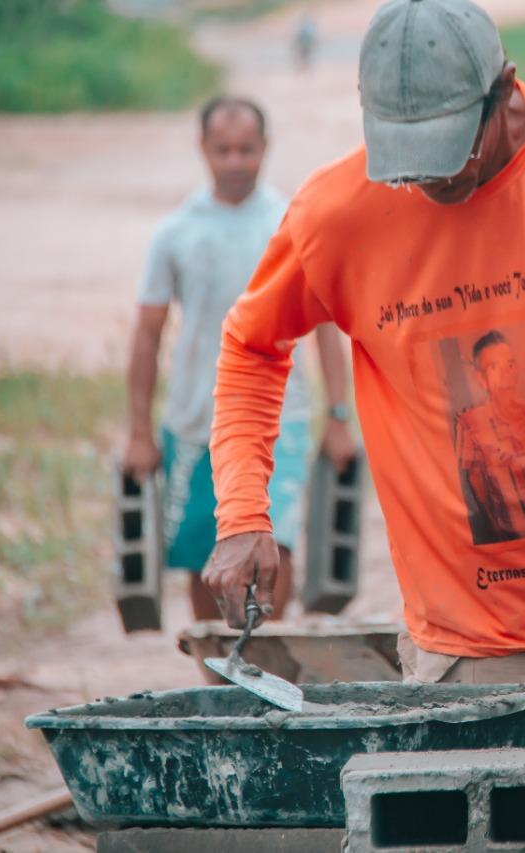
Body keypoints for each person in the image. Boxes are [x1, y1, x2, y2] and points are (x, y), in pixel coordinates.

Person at [202, 0, 525, 763]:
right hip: (476, 644)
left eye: (449, 149)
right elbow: (252, 345)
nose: (426, 179)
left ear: (506, 91)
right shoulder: (338, 213)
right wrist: (244, 510)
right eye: (405, 156)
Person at [123, 95, 357, 622]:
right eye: (223, 150)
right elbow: (147, 335)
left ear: (265, 149)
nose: (235, 162)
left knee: (279, 548)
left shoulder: (290, 223)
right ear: (203, 149)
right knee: (204, 557)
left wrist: (338, 417)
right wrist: (139, 430)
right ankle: (215, 679)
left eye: (246, 150)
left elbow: (326, 331)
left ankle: (267, 666)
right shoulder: (175, 233)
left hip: (283, 421)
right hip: (194, 426)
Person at [455, 330, 525, 545]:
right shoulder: (471, 424)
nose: (507, 371)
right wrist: (495, 527)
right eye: (495, 366)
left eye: (510, 363)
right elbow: (475, 482)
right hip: (513, 536)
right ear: (481, 379)